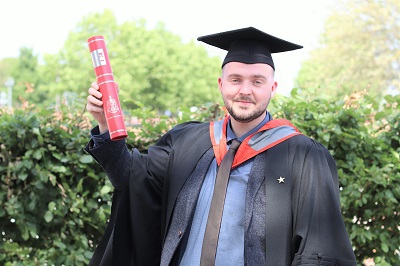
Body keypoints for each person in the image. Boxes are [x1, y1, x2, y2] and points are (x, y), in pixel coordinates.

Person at [85, 27, 357, 266]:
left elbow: (319, 252)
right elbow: (130, 179)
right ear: (221, 84)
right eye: (236, 79)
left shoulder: (304, 157)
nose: (245, 90)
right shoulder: (186, 142)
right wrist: (105, 124)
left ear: (272, 88)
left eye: (257, 81)